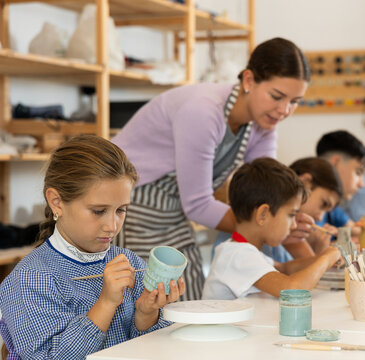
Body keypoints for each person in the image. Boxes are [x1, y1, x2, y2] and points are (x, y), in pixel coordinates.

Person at [112, 38, 311, 300]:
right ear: (249, 81)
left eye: (294, 101)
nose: (284, 110)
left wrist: (288, 219)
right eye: (277, 96)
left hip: (176, 210)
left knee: (189, 296)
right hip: (134, 202)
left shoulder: (265, 124)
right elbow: (198, 204)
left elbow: (270, 196)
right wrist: (270, 223)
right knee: (153, 302)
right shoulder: (204, 111)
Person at [0, 135, 185, 360]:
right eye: (98, 211)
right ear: (56, 201)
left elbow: (155, 351)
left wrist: (147, 314)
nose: (112, 225)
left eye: (121, 210)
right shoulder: (31, 279)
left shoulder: (130, 263)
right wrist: (106, 303)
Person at [202, 158, 341, 300]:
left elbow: (285, 269)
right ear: (263, 214)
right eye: (291, 215)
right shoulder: (237, 255)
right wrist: (326, 258)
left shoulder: (245, 250)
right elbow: (291, 289)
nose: (293, 225)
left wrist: (327, 259)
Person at [211, 157, 342, 262]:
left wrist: (322, 255)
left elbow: (286, 269)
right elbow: (288, 282)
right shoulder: (240, 251)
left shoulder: (277, 234)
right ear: (306, 182)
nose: (320, 217)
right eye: (323, 204)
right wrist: (323, 259)